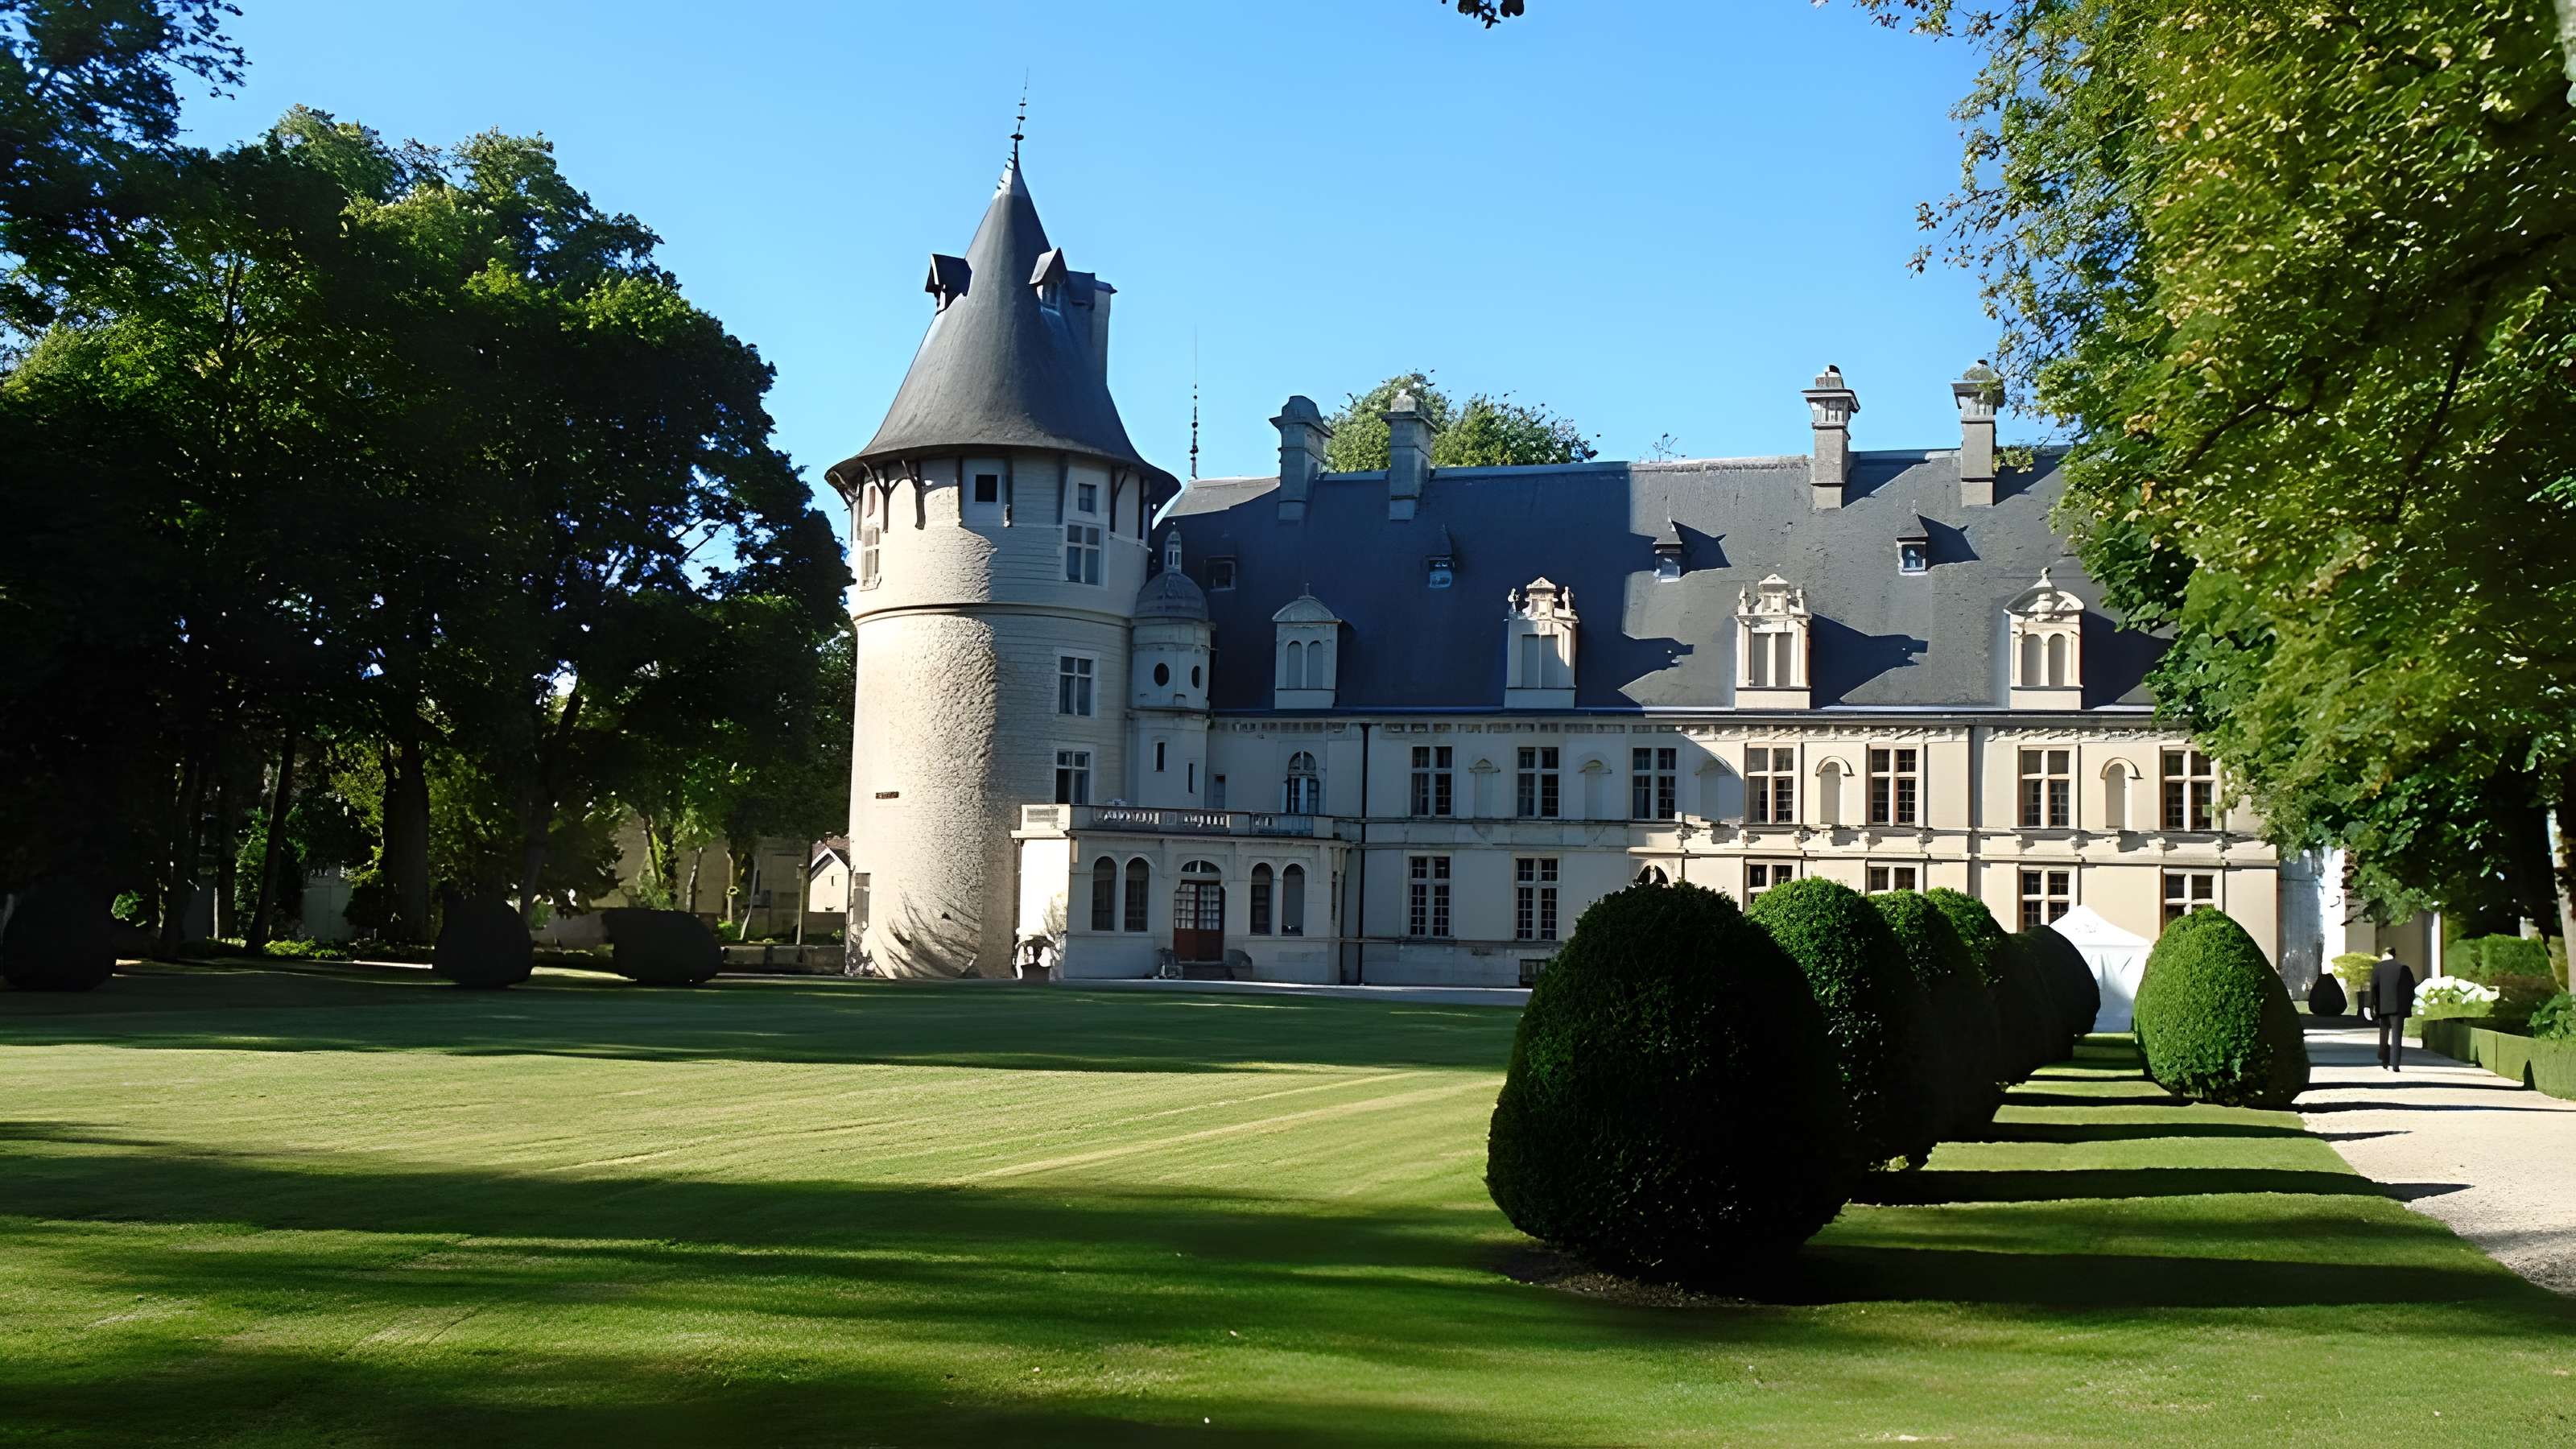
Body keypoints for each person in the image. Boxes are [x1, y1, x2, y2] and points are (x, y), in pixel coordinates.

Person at [2370, 951, 2418, 1071]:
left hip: (2383, 1007)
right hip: (2398, 1008)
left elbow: (2373, 988)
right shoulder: (2404, 969)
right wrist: (2408, 1006)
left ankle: (2384, 1058)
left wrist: (2371, 1005)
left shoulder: (2379, 968)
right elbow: (2411, 989)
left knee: (2384, 1033)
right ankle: (2395, 1064)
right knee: (2397, 1036)